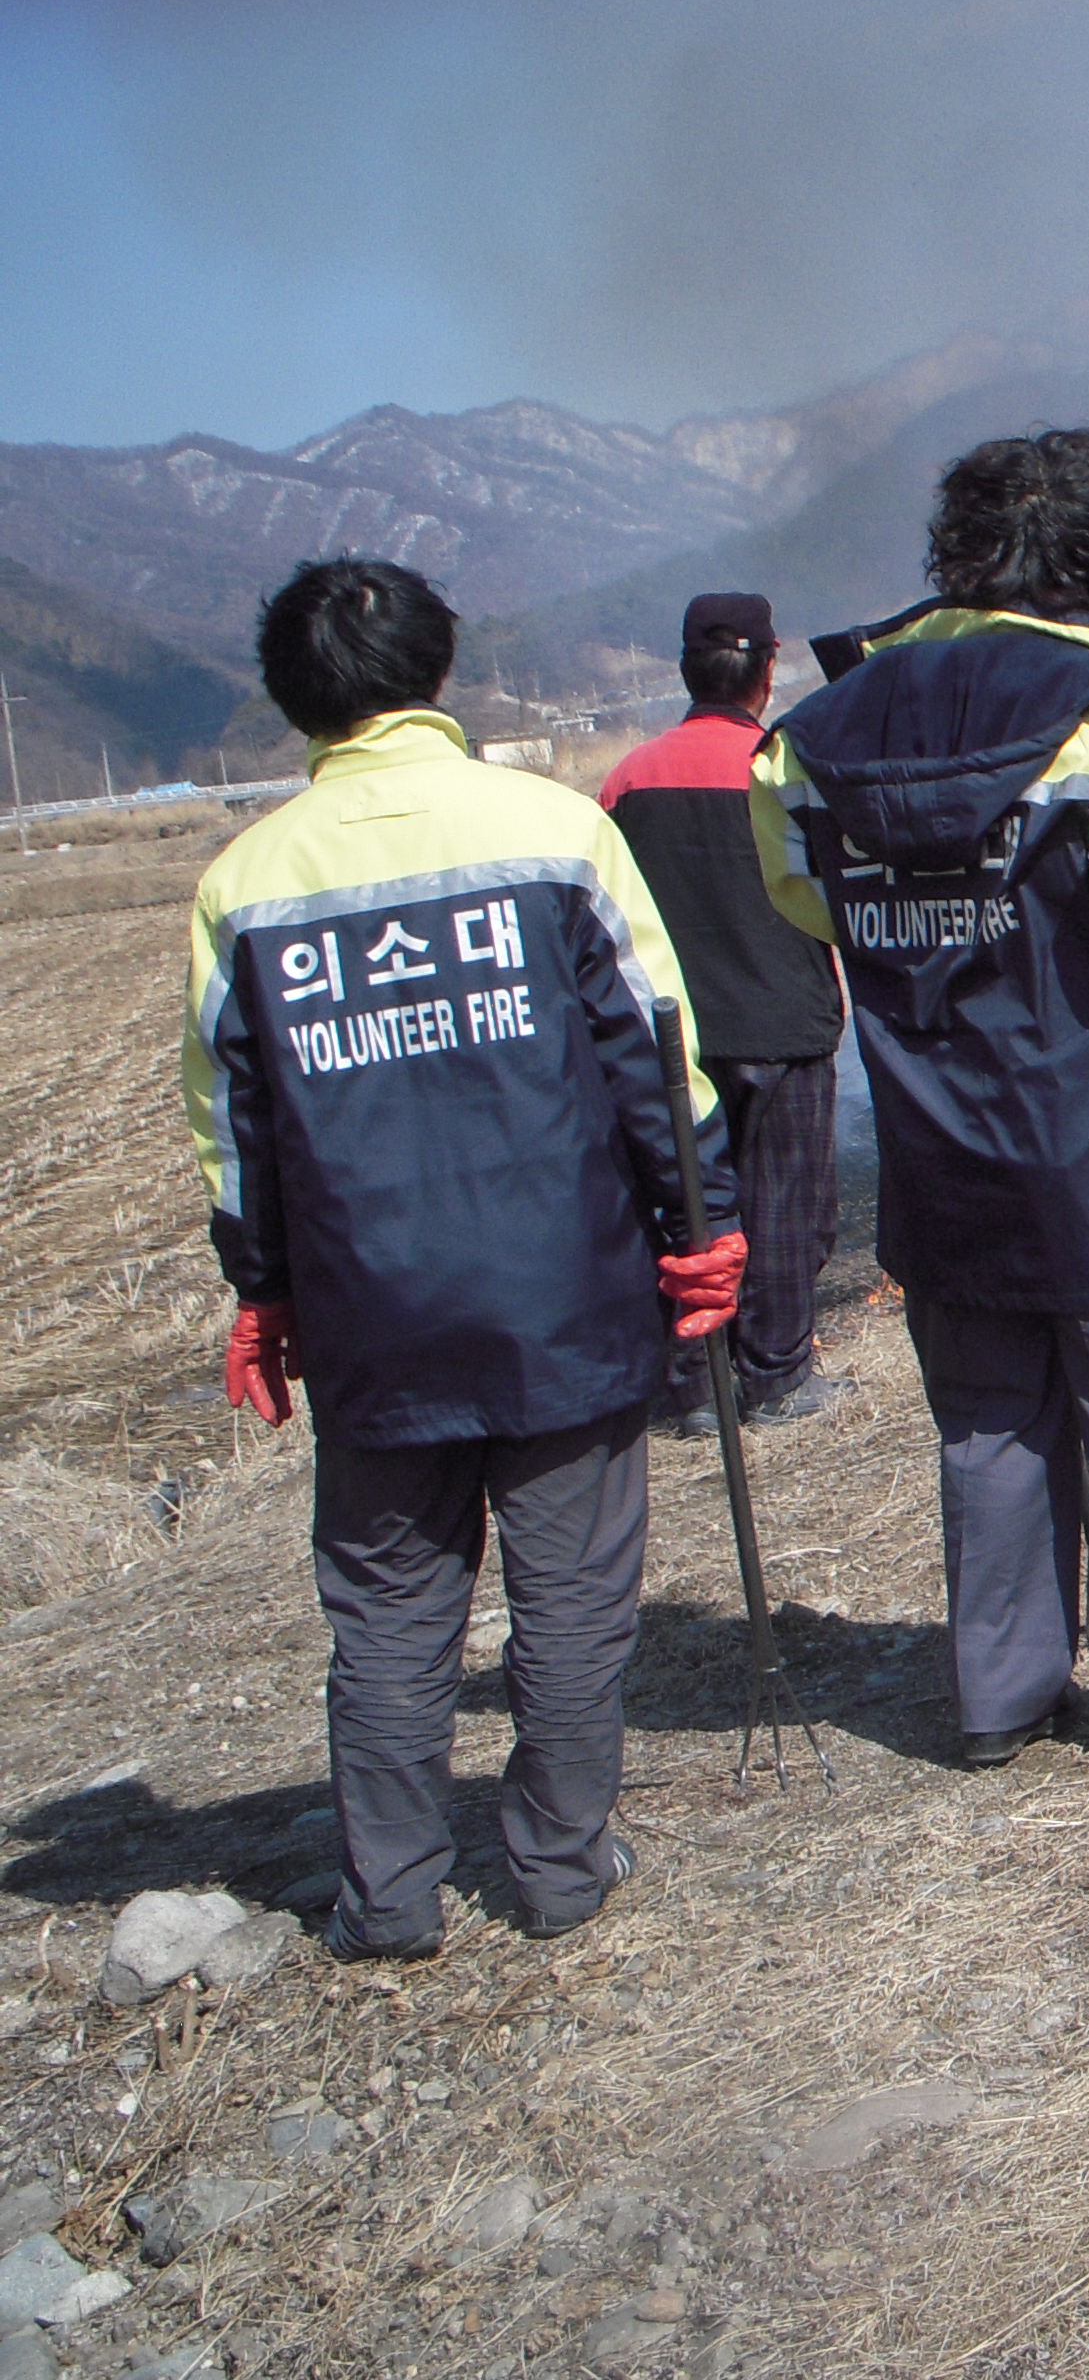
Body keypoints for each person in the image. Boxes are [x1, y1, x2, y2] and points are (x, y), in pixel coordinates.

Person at [185, 558, 742, 1956]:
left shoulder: (245, 884)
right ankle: (559, 1867)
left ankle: (388, 1897)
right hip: (563, 1298)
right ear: (439, 667)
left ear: (295, 698)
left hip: (373, 1312)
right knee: (572, 1599)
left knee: (385, 1610)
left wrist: (262, 1287)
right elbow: (654, 1050)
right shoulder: (552, 832)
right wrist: (703, 1226)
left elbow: (236, 1130)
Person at [752, 424, 1089, 1770]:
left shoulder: (814, 731)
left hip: (938, 1139)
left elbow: (801, 896)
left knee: (988, 1422)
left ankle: (998, 1698)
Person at [600, 591, 852, 1436]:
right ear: (767, 669)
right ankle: (777, 1377)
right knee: (787, 1206)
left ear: (686, 670)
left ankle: (698, 1388)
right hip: (786, 1022)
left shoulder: (628, 780)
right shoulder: (789, 765)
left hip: (673, 1037)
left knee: (687, 1206)